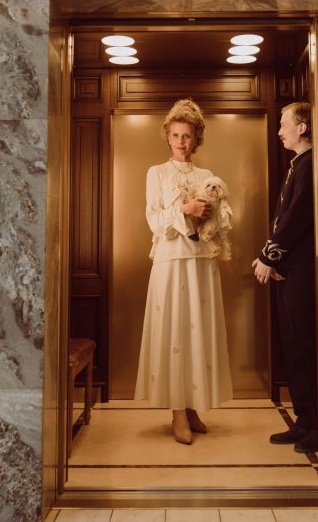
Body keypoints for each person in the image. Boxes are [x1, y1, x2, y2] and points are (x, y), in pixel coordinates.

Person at [135, 99, 234, 445]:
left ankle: (193, 406)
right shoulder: (156, 173)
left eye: (187, 135)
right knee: (175, 331)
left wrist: (210, 212)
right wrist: (184, 208)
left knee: (197, 333)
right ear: (167, 137)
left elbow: (224, 215)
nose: (181, 141)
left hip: (201, 262)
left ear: (196, 140)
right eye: (176, 135)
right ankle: (177, 409)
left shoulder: (207, 177)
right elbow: (154, 220)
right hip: (170, 261)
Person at [252, 102, 318, 454]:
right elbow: (283, 221)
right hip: (287, 270)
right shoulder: (298, 165)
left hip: (301, 273)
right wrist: (272, 256)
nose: (279, 131)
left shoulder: (309, 164)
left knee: (305, 347)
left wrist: (269, 256)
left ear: (302, 128)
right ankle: (303, 421)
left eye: (284, 124)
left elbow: (297, 219)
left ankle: (316, 425)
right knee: (292, 347)